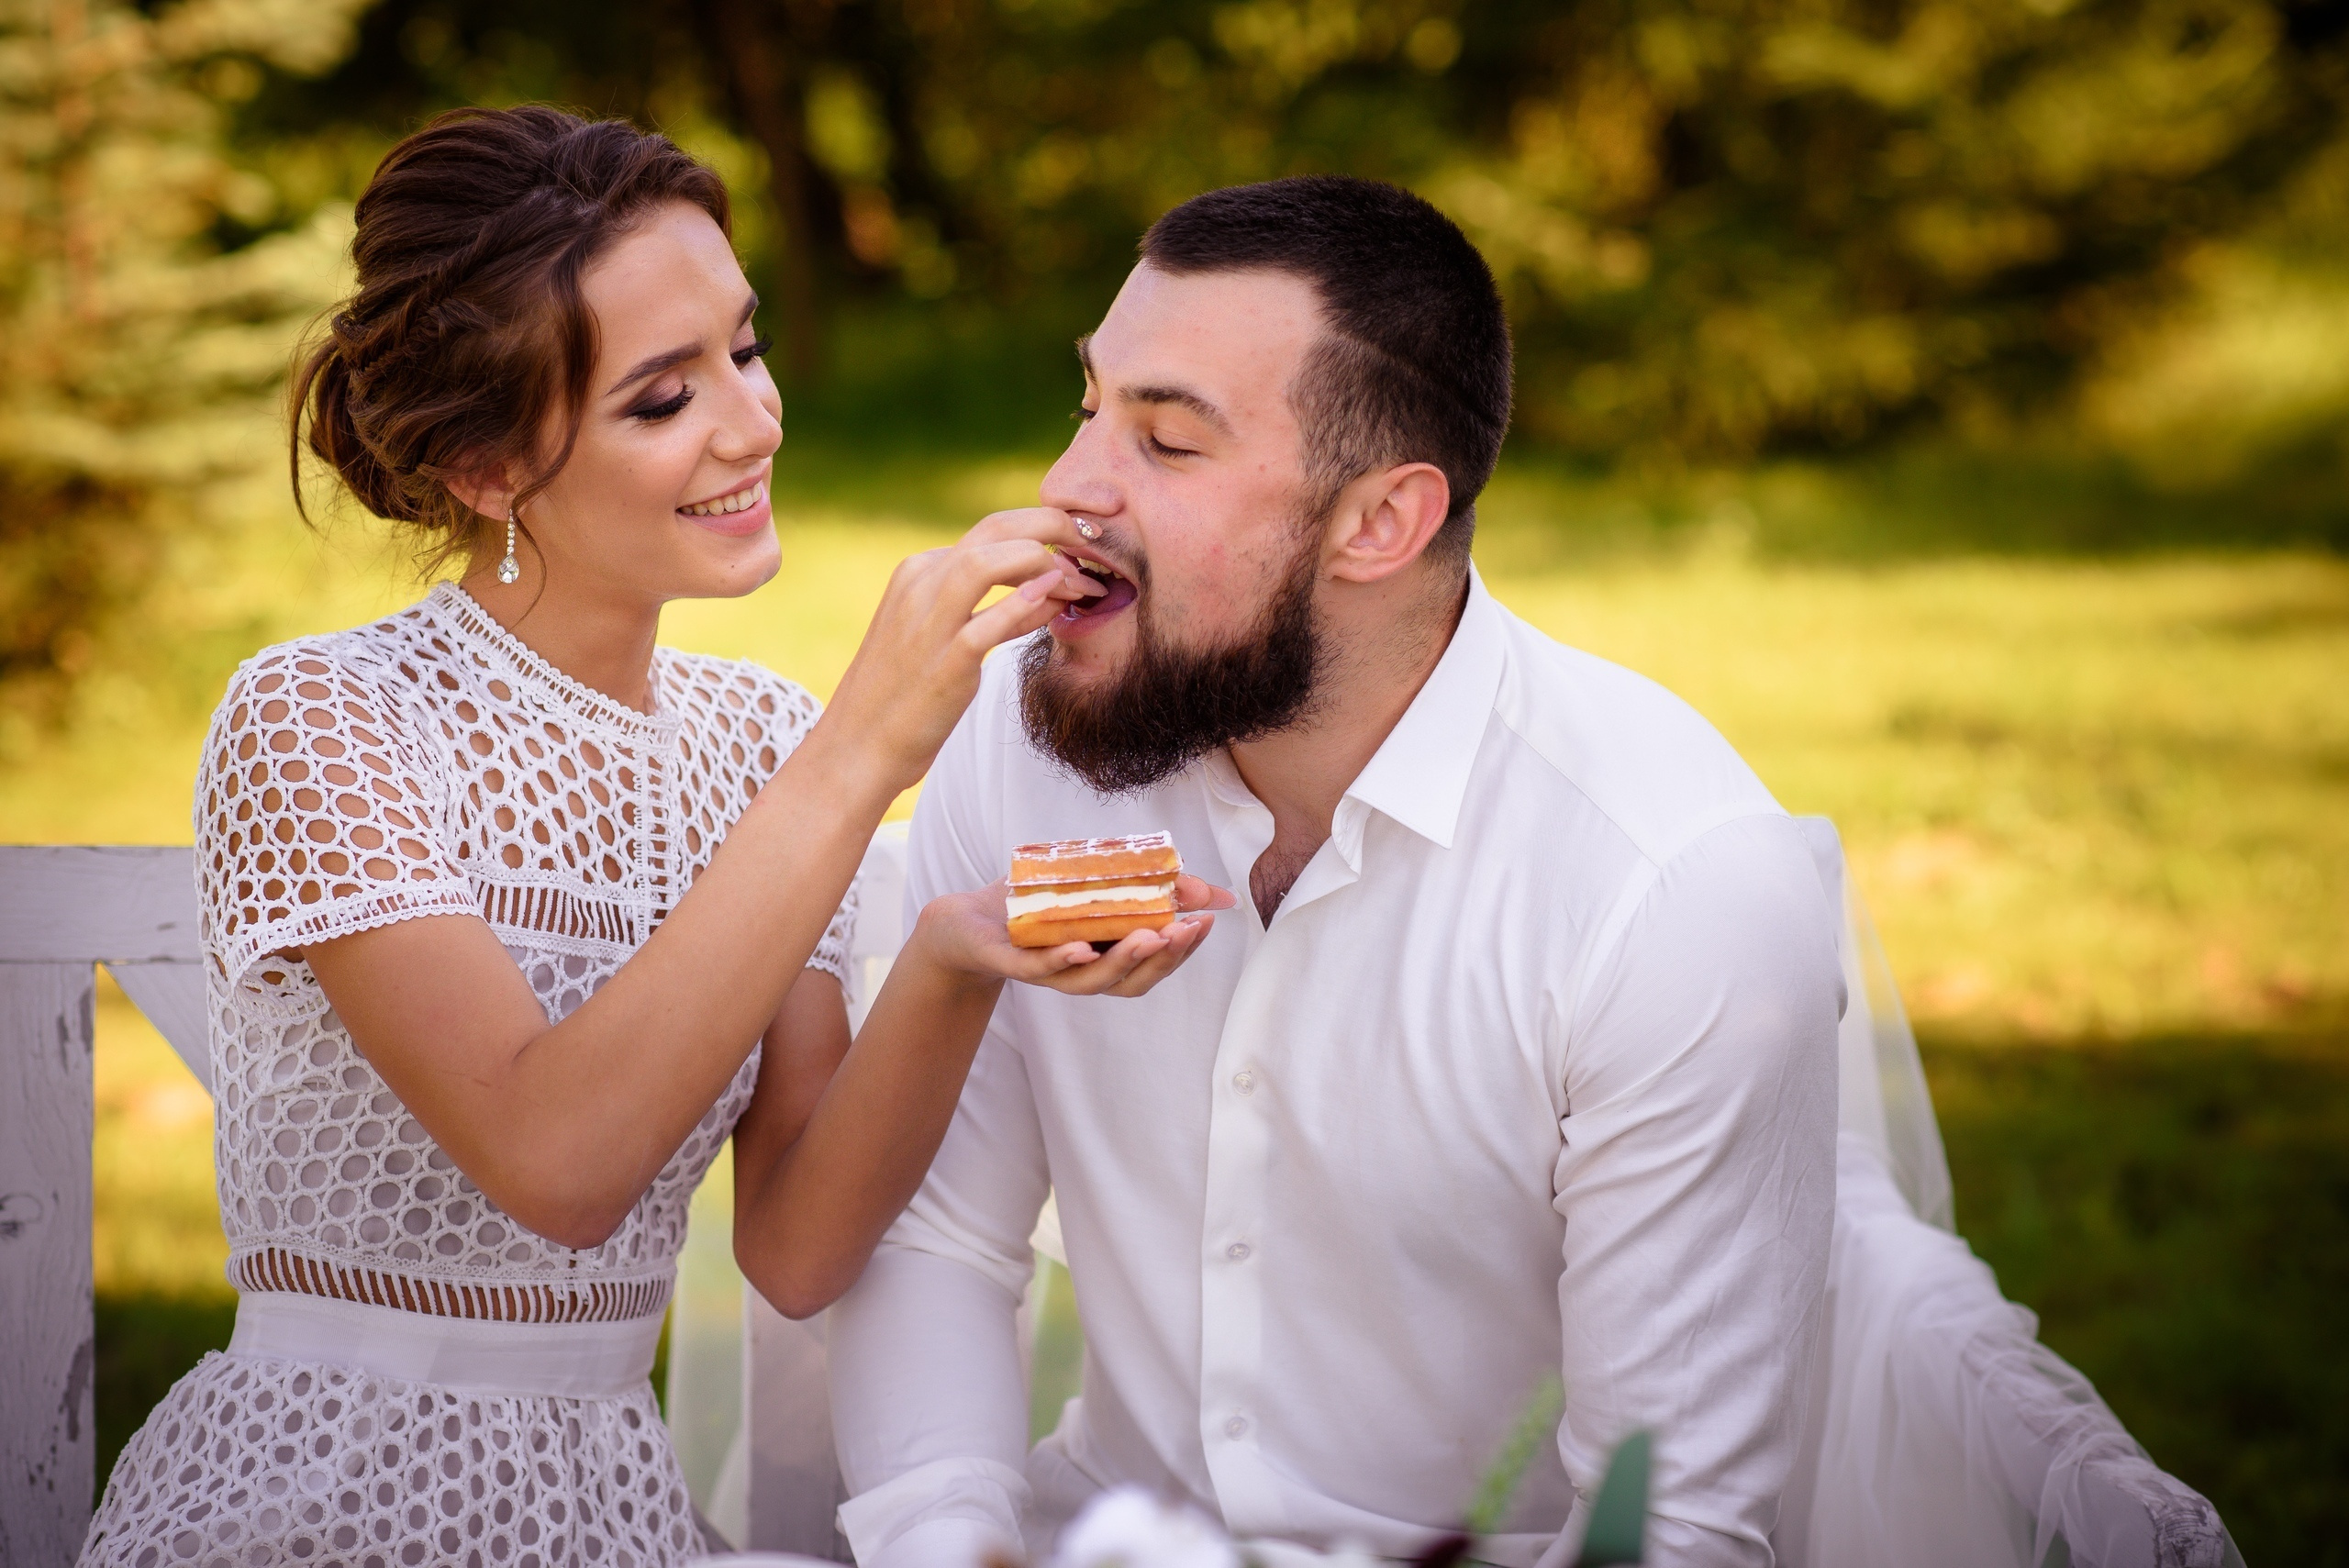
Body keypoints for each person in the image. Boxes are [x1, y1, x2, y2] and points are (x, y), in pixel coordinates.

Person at [79, 106, 1227, 1568]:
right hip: (325, 1505)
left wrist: (952, 961)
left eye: (742, 352)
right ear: (490, 468)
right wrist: (864, 746)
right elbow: (557, 1163)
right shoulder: (318, 720)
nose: (752, 424)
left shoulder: (752, 737)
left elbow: (797, 1244)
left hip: (607, 1512)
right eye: (659, 400)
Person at [824, 176, 1846, 1568]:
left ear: (1380, 523)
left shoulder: (1668, 891)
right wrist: (951, 1547)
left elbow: (1670, 1530)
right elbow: (938, 1236)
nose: (1068, 488)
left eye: (1165, 441)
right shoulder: (1022, 740)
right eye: (1088, 407)